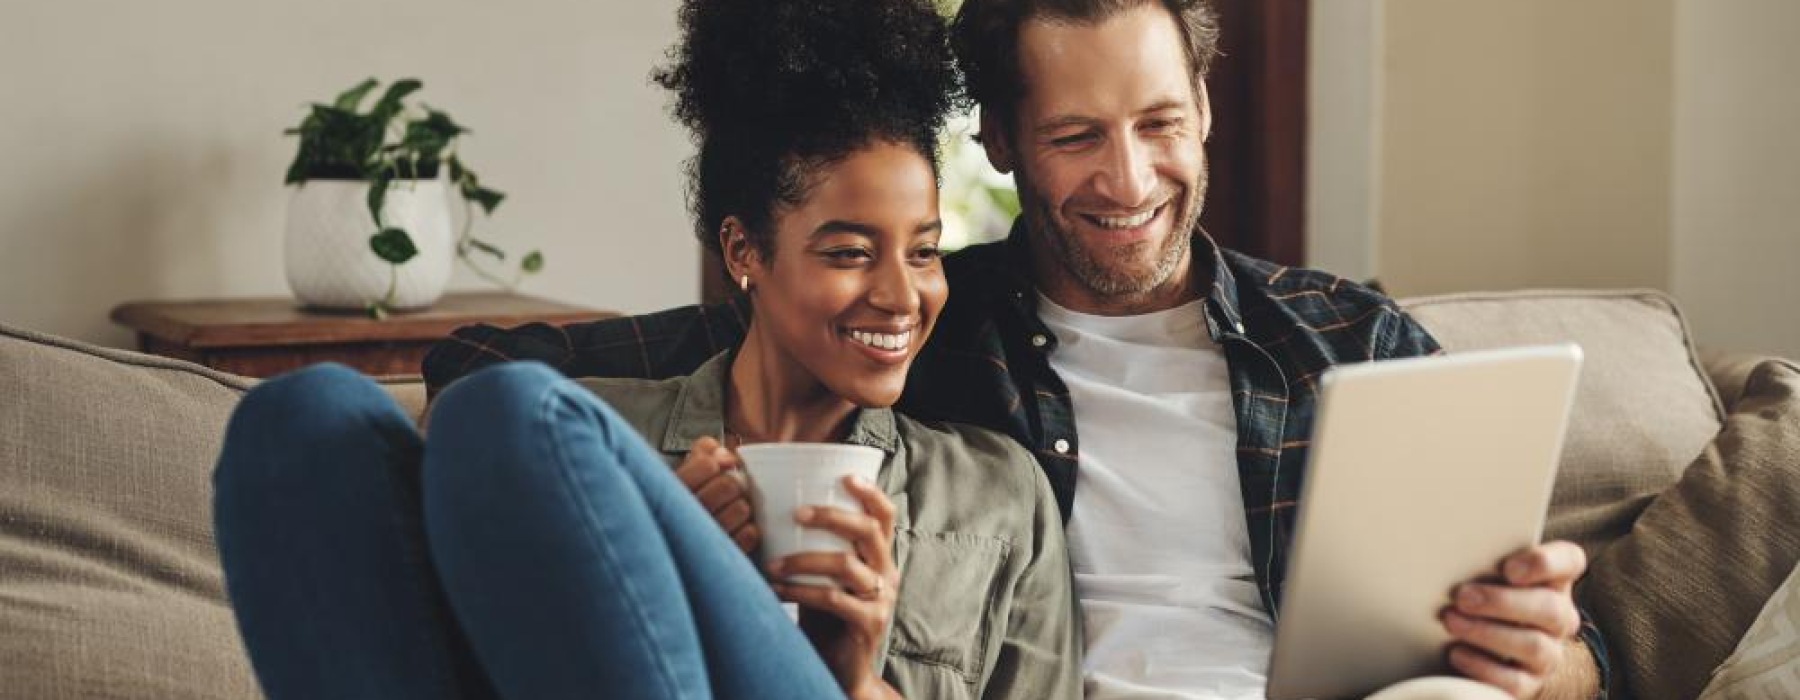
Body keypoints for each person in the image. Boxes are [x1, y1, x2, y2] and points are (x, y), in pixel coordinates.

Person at [424, 1, 1606, 699]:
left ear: (1205, 102)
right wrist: (661, 499)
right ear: (998, 139)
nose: (1130, 180)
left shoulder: (1352, 342)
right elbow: (495, 383)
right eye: (1078, 136)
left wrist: (1552, 658)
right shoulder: (922, 320)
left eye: (1158, 123)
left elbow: (1583, 655)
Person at [213, 0, 1079, 698]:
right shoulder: (599, 449)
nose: (901, 294)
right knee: (301, 416)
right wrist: (650, 560)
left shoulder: (998, 496)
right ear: (744, 253)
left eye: (924, 251)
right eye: (849, 253)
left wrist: (854, 679)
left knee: (506, 408)